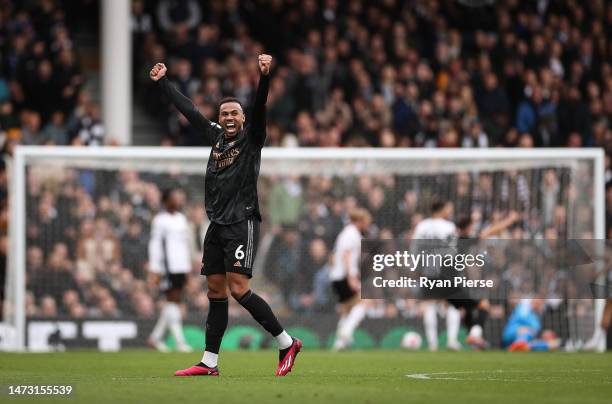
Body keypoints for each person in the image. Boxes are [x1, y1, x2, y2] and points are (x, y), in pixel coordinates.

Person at [149, 54, 301, 377]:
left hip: (242, 222)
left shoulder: (252, 137)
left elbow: (260, 108)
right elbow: (190, 111)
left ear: (243, 118)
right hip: (217, 224)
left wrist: (264, 77)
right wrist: (164, 83)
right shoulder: (216, 137)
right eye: (224, 113)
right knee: (215, 291)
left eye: (234, 113)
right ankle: (209, 362)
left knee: (239, 288)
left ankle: (286, 342)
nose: (229, 117)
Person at [147, 188, 192, 353]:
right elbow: (155, 245)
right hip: (167, 267)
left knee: (173, 302)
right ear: (165, 201)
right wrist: (154, 269)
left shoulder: (181, 219)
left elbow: (184, 246)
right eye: (174, 198)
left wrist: (187, 269)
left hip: (180, 266)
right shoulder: (160, 220)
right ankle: (180, 342)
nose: (177, 201)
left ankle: (155, 338)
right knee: (173, 301)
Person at [411, 200, 458, 351]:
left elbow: (414, 248)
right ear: (442, 208)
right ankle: (451, 340)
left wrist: (415, 267)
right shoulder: (449, 226)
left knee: (429, 304)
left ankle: (433, 344)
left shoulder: (422, 226)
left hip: (427, 268)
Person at [329, 208, 371, 350]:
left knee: (347, 309)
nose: (367, 225)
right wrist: (351, 276)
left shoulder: (347, 233)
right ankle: (346, 332)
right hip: (344, 276)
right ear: (360, 221)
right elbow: (345, 255)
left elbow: (334, 255)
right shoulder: (351, 234)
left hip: (337, 276)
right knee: (365, 301)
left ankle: (339, 344)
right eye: (366, 222)